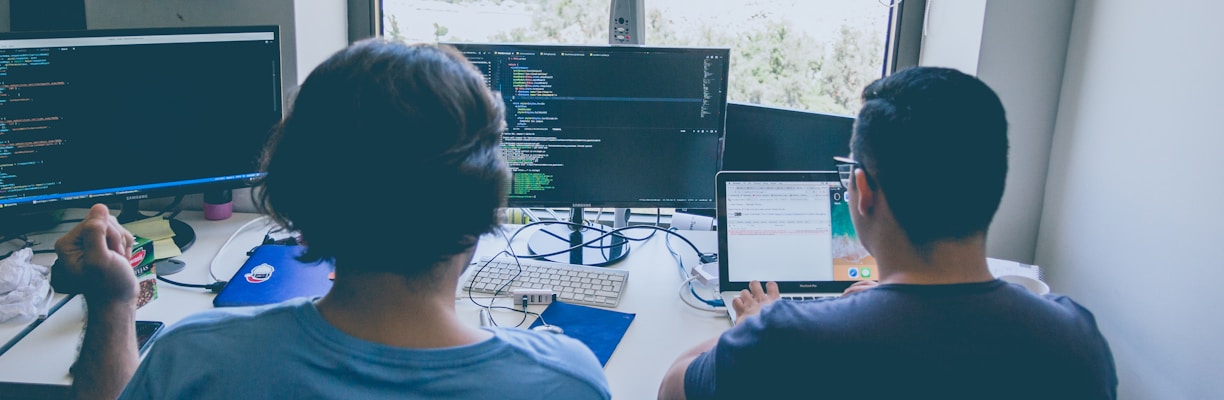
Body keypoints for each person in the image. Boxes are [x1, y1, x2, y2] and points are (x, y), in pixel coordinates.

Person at [52, 39, 610, 399]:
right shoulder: (566, 382)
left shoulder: (194, 360)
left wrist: (112, 302)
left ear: (300, 207)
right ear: (484, 206)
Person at [658, 67, 1117, 399]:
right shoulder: (1076, 340)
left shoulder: (783, 340)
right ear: (995, 183)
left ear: (862, 192)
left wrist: (756, 321)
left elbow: (672, 387)